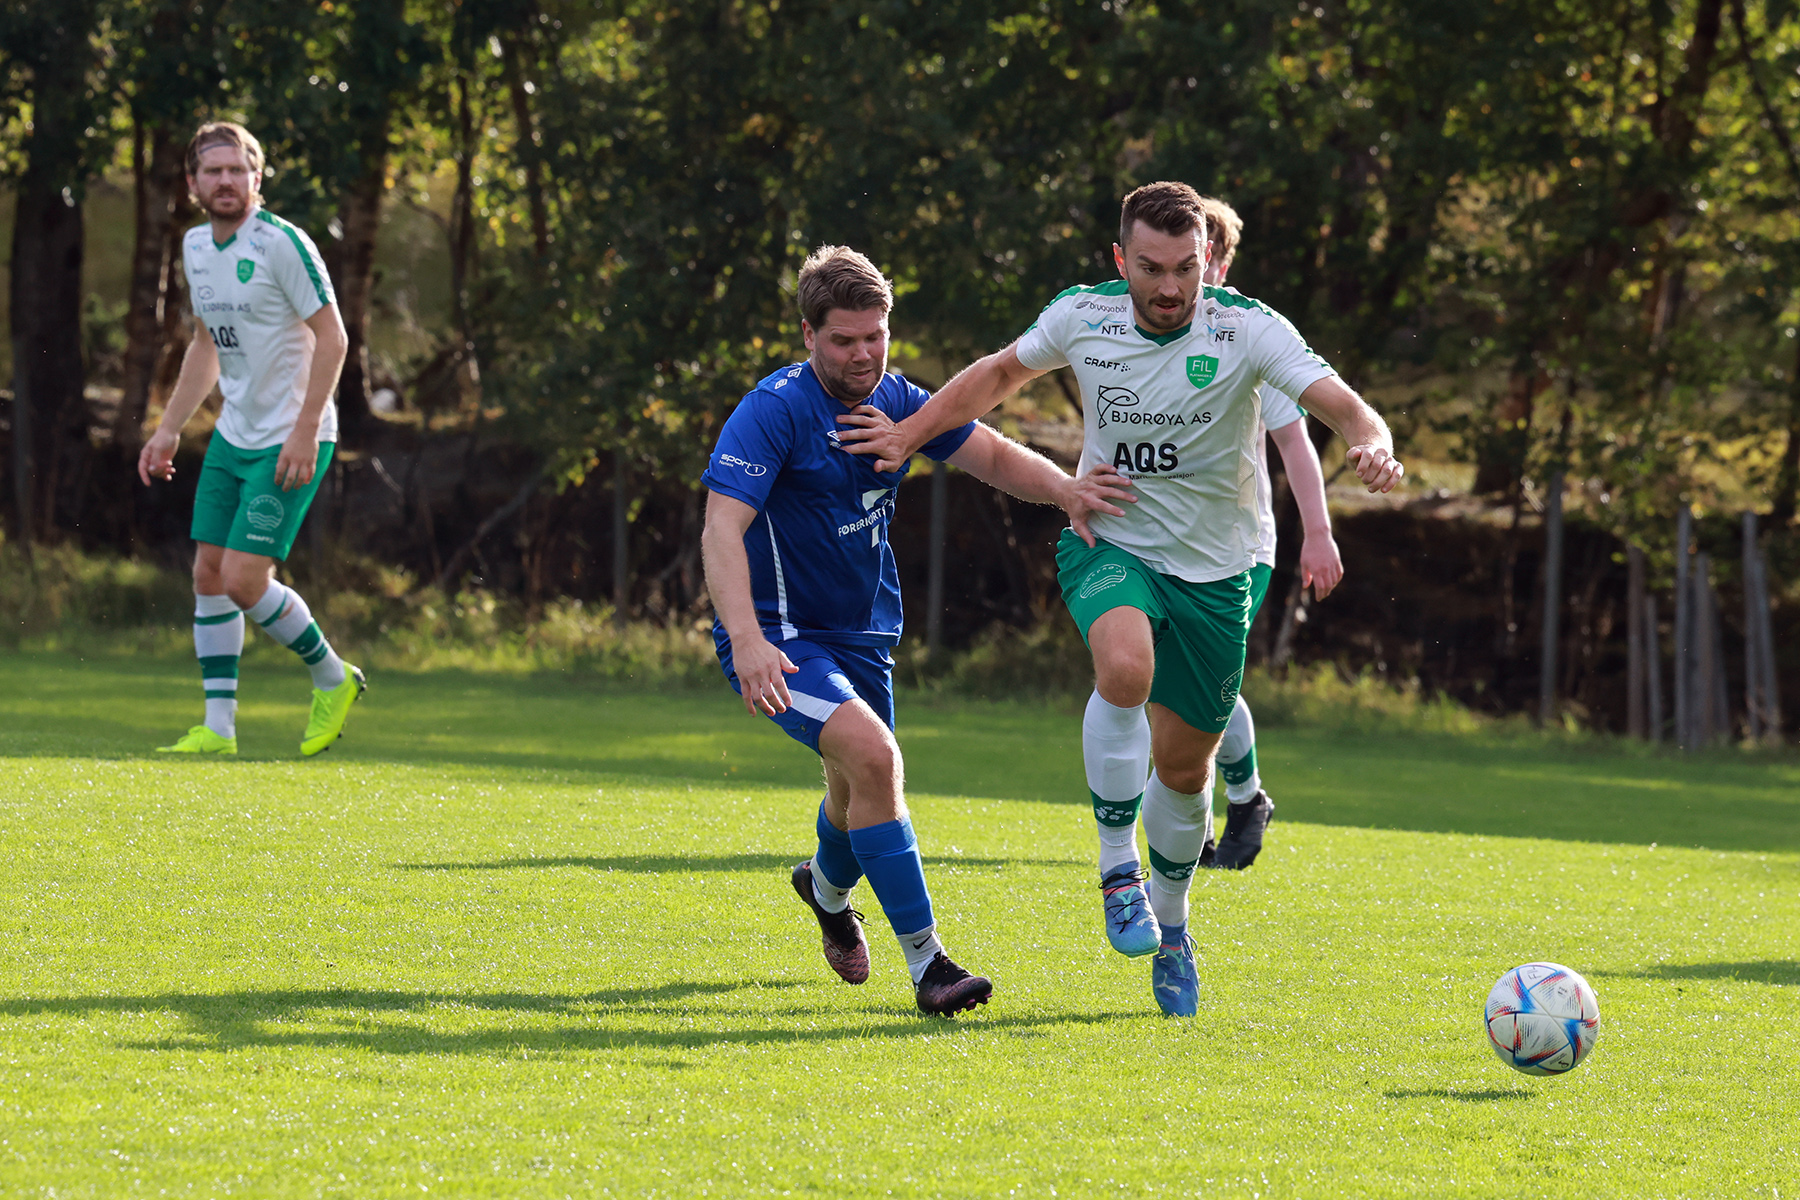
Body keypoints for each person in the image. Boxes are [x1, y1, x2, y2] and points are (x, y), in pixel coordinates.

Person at [839, 182, 1402, 1017]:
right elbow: (996, 374)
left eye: (1185, 269)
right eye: (1150, 268)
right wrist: (907, 435)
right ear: (1120, 261)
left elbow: (1338, 406)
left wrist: (1371, 441)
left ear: (1208, 259)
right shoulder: (1083, 316)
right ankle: (1115, 870)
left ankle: (1172, 926)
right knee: (1125, 666)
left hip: (1216, 571)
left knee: (1182, 772)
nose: (1169, 287)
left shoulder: (1248, 329)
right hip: (1111, 537)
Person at [700, 245, 1129, 1016]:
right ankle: (930, 966)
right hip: (781, 634)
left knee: (855, 787)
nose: (864, 354)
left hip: (864, 637)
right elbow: (720, 529)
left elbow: (990, 453)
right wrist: (748, 639)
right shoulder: (773, 410)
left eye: (876, 335)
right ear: (808, 334)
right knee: (875, 756)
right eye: (843, 340)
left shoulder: (898, 400)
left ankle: (825, 891)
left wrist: (1066, 491)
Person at [139, 122, 364, 757]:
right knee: (208, 574)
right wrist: (166, 429)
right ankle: (218, 728)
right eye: (213, 172)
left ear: (257, 178)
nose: (226, 182)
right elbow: (207, 345)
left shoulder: (283, 245)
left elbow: (335, 338)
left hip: (294, 439)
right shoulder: (194, 247)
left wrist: (302, 432)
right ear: (192, 184)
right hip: (234, 436)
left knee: (242, 578)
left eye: (238, 170)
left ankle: (332, 675)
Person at [1192, 194, 1344, 871]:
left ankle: (1236, 802)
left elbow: (1295, 441)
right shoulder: (1130, 333)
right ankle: (1210, 815)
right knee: (1160, 683)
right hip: (1152, 540)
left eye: (1202, 261)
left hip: (1237, 543)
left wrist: (1318, 531)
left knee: (1196, 682)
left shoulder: (1253, 332)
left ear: (1219, 264)